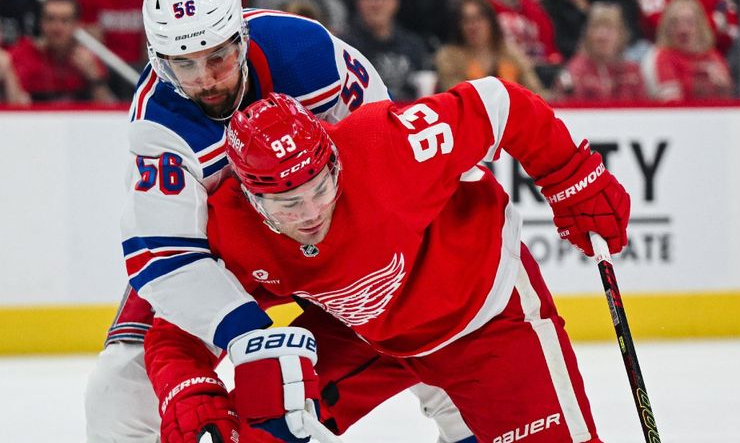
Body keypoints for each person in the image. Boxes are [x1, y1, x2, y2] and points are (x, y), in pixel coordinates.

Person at [84, 0, 475, 443]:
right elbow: (169, 259)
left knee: (447, 358)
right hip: (224, 255)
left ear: (241, 37)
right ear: (160, 62)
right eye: (183, 65)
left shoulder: (308, 54)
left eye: (217, 58)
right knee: (117, 395)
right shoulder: (157, 125)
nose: (205, 79)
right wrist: (250, 336)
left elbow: (383, 159)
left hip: (328, 228)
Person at [144, 76, 632, 442]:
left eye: (320, 188)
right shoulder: (231, 229)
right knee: (258, 420)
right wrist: (188, 389)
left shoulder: (387, 146)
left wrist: (573, 177)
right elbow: (178, 325)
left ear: (334, 159)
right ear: (251, 200)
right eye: (287, 204)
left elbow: (499, 104)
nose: (312, 213)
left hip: (486, 314)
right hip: (367, 335)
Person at [345, 0, 434, 101]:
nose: (376, 4)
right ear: (359, 2)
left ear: (395, 2)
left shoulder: (414, 45)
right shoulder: (345, 46)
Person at [9, 0, 115, 103]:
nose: (57, 27)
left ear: (77, 24)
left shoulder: (88, 57)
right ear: (41, 23)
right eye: (50, 19)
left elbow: (109, 111)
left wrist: (94, 78)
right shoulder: (22, 54)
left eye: (65, 20)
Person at [435, 0, 545, 95]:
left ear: (491, 22)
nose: (473, 26)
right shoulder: (449, 57)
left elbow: (535, 91)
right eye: (466, 21)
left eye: (479, 19)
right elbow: (455, 98)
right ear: (458, 26)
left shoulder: (509, 51)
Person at [641, 0, 733, 101]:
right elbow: (672, 104)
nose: (683, 30)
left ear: (700, 26)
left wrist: (723, 88)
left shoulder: (713, 56)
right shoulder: (662, 56)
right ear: (666, 28)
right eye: (675, 23)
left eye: (689, 22)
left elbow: (727, 102)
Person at [554, 3, 647, 101]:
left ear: (621, 34)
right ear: (587, 34)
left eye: (609, 29)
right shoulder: (576, 71)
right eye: (596, 28)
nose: (602, 36)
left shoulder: (632, 72)